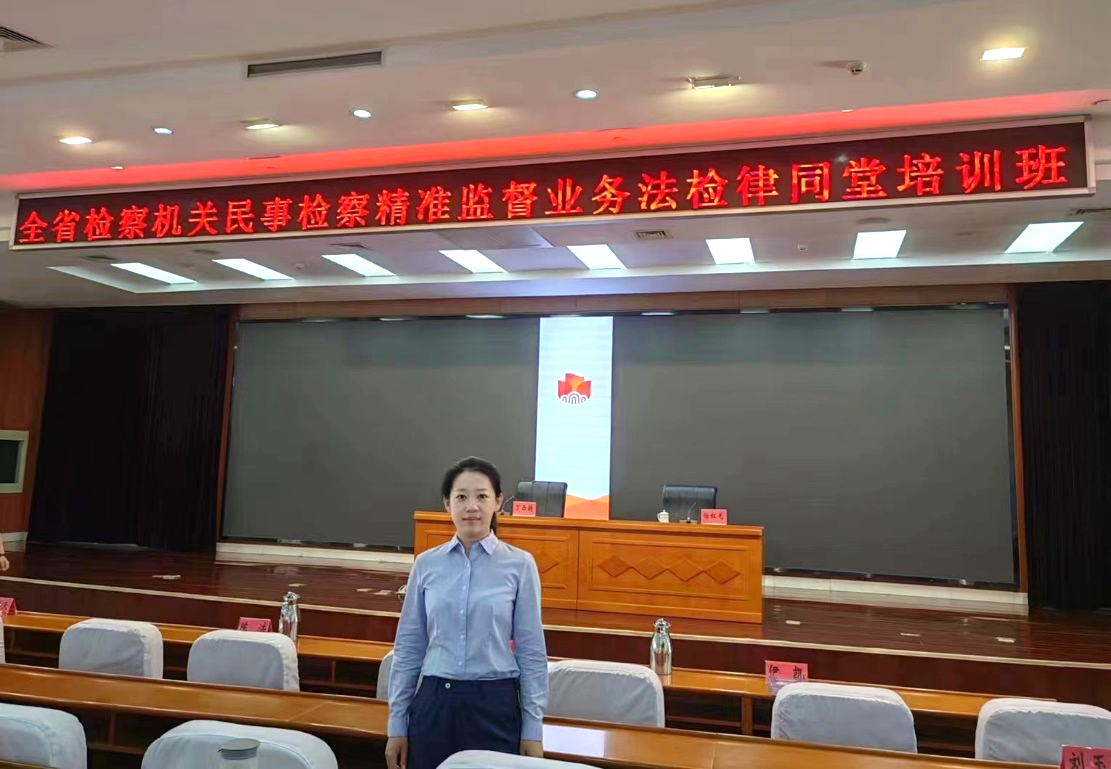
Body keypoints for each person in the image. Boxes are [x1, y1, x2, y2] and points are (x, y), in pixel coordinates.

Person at [385, 457, 548, 769]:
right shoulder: (426, 564)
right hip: (434, 703)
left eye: (482, 496)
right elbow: (409, 648)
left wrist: (533, 729)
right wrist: (397, 725)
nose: (471, 506)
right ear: (448, 504)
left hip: (495, 705)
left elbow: (531, 652)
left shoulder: (520, 565)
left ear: (498, 502)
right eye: (461, 496)